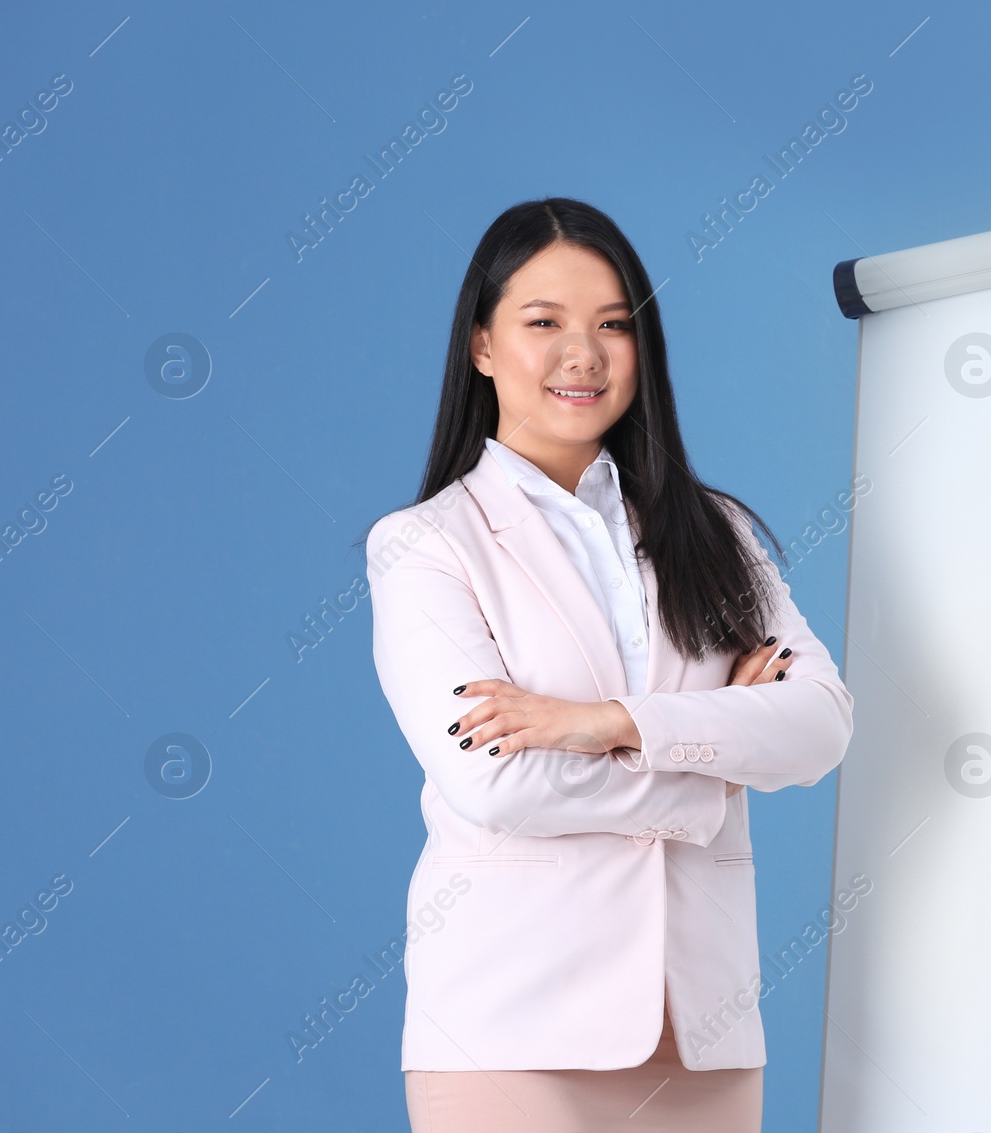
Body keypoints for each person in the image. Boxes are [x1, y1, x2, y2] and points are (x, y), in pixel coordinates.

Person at [362, 197, 853, 1132]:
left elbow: (821, 721)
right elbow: (497, 782)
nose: (582, 354)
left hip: (701, 1027)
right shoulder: (425, 546)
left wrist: (605, 724)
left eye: (614, 325)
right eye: (543, 323)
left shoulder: (719, 534)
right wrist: (714, 773)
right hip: (513, 1029)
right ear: (482, 346)